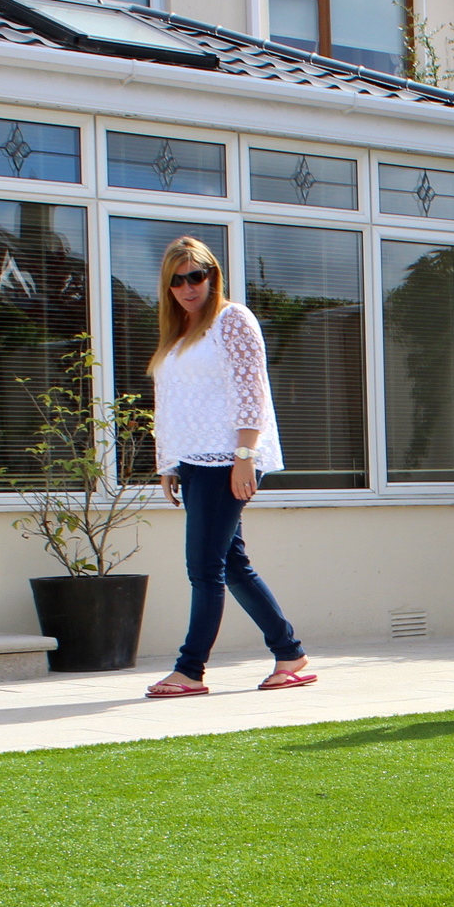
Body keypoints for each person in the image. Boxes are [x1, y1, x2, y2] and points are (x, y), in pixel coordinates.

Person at [143, 236, 315, 699]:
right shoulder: (177, 330)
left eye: (195, 275)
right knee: (231, 564)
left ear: (212, 275)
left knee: (204, 567)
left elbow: (251, 391)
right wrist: (167, 464)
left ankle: (190, 669)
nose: (187, 287)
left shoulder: (232, 320)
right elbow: (170, 404)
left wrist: (245, 457)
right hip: (193, 462)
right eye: (177, 280)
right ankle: (290, 654)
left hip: (229, 458)